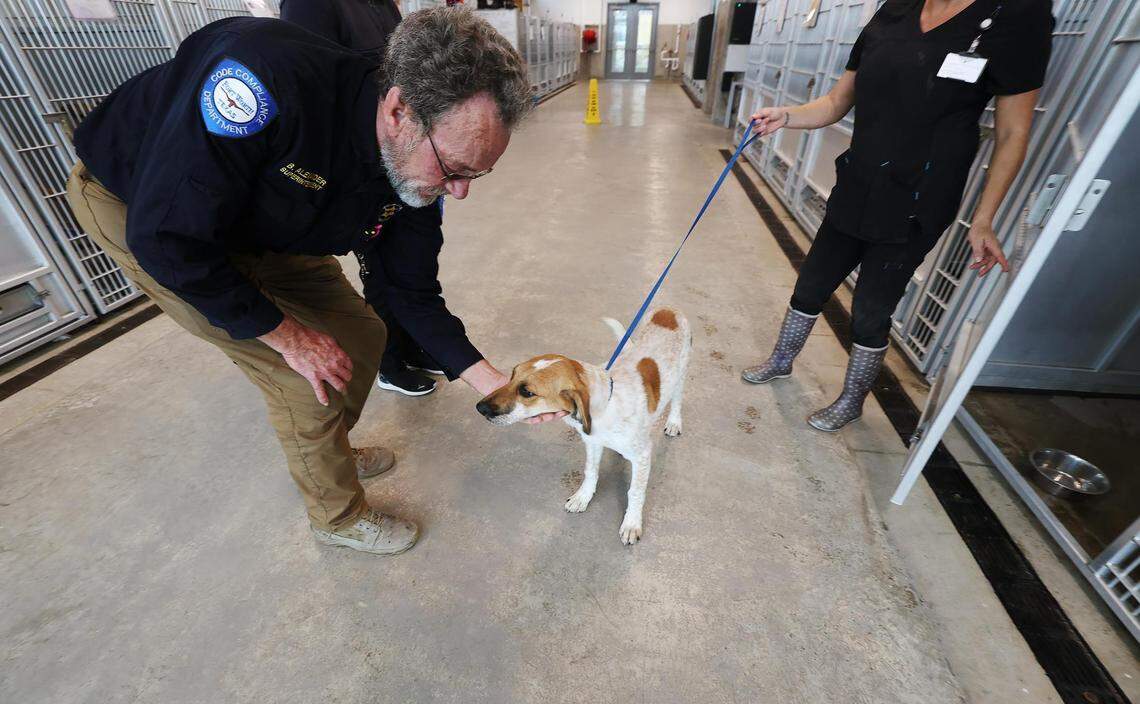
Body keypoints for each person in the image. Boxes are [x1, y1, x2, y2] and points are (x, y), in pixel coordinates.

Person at [64, 8, 563, 557]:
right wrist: (289, 336)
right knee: (305, 379)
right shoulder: (259, 79)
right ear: (399, 110)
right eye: (455, 169)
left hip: (265, 223)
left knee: (363, 334)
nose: (460, 190)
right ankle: (337, 516)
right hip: (148, 210)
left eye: (477, 174)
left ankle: (327, 447)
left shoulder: (418, 173)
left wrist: (500, 386)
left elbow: (412, 291)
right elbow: (166, 237)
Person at [742, 0, 1053, 431]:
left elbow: (1014, 131)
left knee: (871, 307)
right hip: (859, 182)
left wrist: (984, 218)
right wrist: (786, 116)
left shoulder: (1018, 15)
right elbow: (835, 101)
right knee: (812, 282)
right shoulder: (895, 9)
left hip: (920, 197)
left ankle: (851, 401)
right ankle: (781, 359)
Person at [281, 0, 443, 397]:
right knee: (380, 268)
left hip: (401, 159)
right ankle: (388, 361)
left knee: (414, 264)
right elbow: (314, 93)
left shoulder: (384, 6)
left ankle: (412, 343)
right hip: (361, 170)